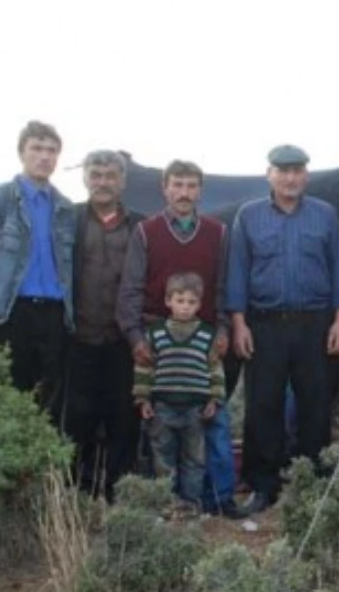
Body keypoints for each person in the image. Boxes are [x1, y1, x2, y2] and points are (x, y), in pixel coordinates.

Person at [226, 144, 339, 515]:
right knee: (262, 404)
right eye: (282, 171)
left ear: (306, 176)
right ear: (270, 175)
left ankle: (310, 483)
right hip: (264, 325)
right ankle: (262, 486)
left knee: (314, 404)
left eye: (297, 170)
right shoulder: (248, 217)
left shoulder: (325, 215)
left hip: (315, 323)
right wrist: (238, 325)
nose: (290, 178)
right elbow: (237, 273)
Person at [117, 159, 237, 516]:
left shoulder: (218, 232)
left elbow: (224, 286)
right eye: (177, 185)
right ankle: (159, 500)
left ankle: (217, 499)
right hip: (159, 338)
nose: (184, 193)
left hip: (204, 339)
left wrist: (225, 328)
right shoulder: (146, 232)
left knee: (212, 419)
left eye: (191, 186)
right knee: (157, 427)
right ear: (164, 188)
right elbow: (131, 288)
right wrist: (135, 336)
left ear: (201, 190)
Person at [0, 120, 76, 423]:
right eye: (37, 148)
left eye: (51, 150)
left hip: (53, 315)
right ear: (22, 153)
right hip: (9, 314)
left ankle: (39, 469)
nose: (44, 157)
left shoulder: (66, 209)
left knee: (46, 401)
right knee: (4, 398)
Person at [66, 150, 145, 502]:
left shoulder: (140, 226)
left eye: (110, 175)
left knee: (123, 419)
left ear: (123, 181)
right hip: (77, 337)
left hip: (122, 340)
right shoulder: (68, 220)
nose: (102, 182)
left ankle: (119, 491)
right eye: (95, 174)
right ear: (84, 177)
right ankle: (77, 491)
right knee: (78, 416)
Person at [132, 273, 225, 510]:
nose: (185, 307)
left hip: (195, 409)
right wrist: (143, 399)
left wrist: (215, 398)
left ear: (200, 304)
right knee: (163, 457)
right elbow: (145, 367)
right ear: (168, 301)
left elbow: (215, 368)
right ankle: (166, 502)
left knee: (194, 459)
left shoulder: (206, 334)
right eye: (180, 300)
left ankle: (191, 504)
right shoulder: (156, 332)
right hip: (163, 407)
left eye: (191, 302)